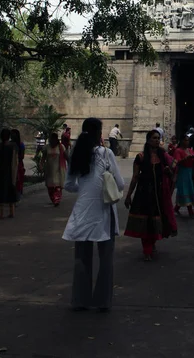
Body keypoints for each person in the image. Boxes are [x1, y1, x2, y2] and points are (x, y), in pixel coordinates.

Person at [63, 117, 124, 312]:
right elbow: (120, 184)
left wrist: (85, 189)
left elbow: (69, 185)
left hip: (83, 210)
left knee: (81, 257)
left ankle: (80, 299)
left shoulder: (77, 154)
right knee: (106, 259)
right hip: (105, 210)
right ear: (99, 134)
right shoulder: (106, 154)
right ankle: (102, 301)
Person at [124, 130, 177, 261]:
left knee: (155, 221)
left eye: (158, 138)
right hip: (144, 193)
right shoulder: (141, 157)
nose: (157, 140)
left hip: (158, 193)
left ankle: (152, 245)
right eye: (154, 138)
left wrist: (168, 171)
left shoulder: (163, 155)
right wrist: (128, 195)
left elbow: (175, 168)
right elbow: (135, 177)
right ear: (148, 140)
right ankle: (147, 249)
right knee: (145, 222)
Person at [0, 128, 18, 219]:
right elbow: (16, 160)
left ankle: (1, 214)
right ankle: (12, 212)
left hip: (0, 172)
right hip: (10, 172)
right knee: (11, 191)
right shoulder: (13, 146)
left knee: (0, 192)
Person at [173, 134, 194, 218]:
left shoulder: (190, 150)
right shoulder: (178, 151)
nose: (187, 142)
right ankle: (190, 212)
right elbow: (176, 162)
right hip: (182, 172)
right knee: (184, 190)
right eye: (186, 140)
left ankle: (176, 208)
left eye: (188, 140)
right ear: (182, 141)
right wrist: (186, 159)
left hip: (190, 172)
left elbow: (193, 158)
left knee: (189, 190)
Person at [41, 132, 67, 207]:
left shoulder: (61, 147)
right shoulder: (46, 147)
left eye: (53, 139)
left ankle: (57, 200)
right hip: (49, 170)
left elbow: (66, 156)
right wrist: (41, 165)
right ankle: (53, 199)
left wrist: (71, 164)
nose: (51, 140)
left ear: (56, 139)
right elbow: (43, 157)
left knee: (57, 186)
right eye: (50, 139)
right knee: (50, 187)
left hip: (58, 170)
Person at [10, 128, 25, 200]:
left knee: (18, 180)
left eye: (13, 134)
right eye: (11, 134)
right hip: (9, 165)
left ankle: (17, 196)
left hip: (18, 165)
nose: (12, 136)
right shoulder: (9, 144)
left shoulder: (21, 144)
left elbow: (22, 156)